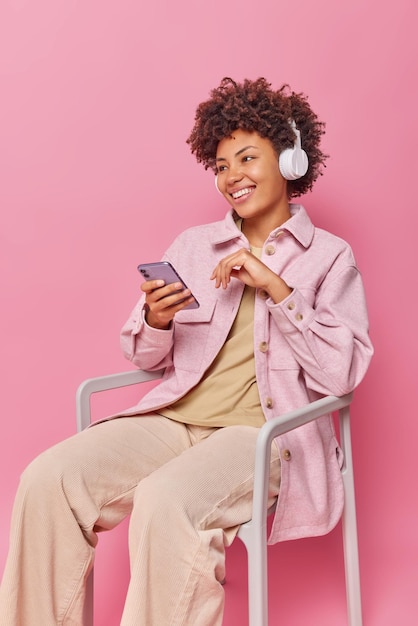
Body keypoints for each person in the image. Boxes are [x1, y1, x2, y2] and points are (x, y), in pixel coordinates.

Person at [0, 77, 373, 625]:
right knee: (49, 479)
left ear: (291, 160)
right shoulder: (194, 246)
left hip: (264, 435)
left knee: (167, 501)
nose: (232, 178)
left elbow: (342, 373)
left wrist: (276, 288)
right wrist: (157, 318)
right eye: (221, 166)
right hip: (175, 420)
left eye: (247, 158)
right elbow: (147, 358)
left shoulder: (330, 258)